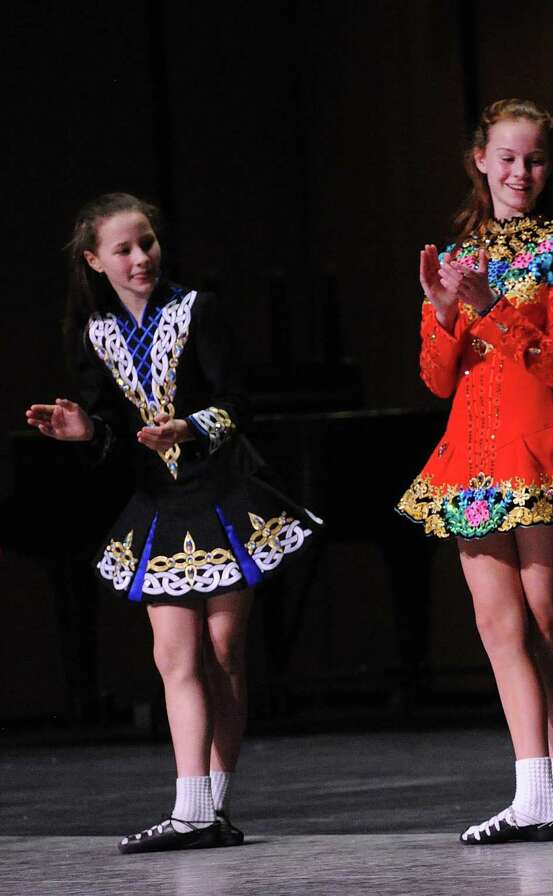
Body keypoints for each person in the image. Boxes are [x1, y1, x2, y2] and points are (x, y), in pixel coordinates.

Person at [26, 192, 321, 854]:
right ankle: (191, 811)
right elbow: (111, 430)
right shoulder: (92, 337)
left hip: (223, 494)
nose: (141, 258)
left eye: (148, 243)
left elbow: (237, 401)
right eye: (124, 249)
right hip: (160, 504)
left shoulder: (197, 311)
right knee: (174, 654)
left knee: (223, 650)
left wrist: (189, 426)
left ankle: (214, 802)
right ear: (95, 261)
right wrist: (84, 432)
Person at [396, 99, 553, 844]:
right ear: (480, 160)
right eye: (509, 158)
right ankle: (532, 796)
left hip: (532, 443)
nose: (521, 172)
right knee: (496, 624)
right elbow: (435, 378)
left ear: (549, 169)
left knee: (545, 619)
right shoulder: (457, 251)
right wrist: (442, 309)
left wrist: (487, 308)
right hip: (470, 454)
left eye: (535, 160)